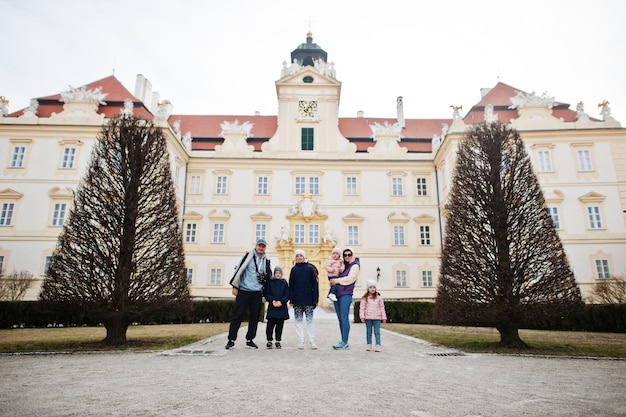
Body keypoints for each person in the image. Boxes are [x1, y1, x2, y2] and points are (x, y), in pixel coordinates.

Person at [225, 238, 271, 350]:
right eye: (259, 245)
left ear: (265, 248)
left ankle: (250, 340)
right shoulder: (248, 256)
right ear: (256, 246)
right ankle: (231, 340)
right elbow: (239, 269)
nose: (261, 248)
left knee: (254, 317)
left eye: (263, 246)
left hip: (257, 292)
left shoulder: (266, 260)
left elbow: (268, 276)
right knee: (238, 315)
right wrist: (235, 286)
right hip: (244, 290)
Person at [329, 248, 360, 350]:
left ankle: (345, 341)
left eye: (349, 254)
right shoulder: (344, 265)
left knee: (344, 317)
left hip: (346, 294)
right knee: (340, 319)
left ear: (352, 255)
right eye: (345, 255)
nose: (347, 256)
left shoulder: (355, 266)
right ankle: (343, 339)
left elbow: (350, 279)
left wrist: (336, 281)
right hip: (338, 294)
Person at [288, 249, 319, 349]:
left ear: (304, 257)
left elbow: (315, 284)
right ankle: (300, 340)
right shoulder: (294, 270)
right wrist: (291, 299)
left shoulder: (310, 268)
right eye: (297, 256)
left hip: (308, 299)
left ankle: (312, 340)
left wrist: (315, 299)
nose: (299, 257)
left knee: (310, 320)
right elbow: (291, 285)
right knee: (298, 321)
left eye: (301, 255)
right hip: (297, 300)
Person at [264, 266, 289, 349]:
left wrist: (281, 302)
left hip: (281, 307)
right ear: (274, 274)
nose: (278, 274)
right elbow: (267, 294)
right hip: (272, 307)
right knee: (270, 325)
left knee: (280, 326)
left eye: (279, 273)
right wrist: (273, 301)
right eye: (276, 273)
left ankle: (278, 340)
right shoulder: (270, 283)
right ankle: (269, 340)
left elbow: (287, 294)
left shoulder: (284, 283)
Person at [359, 279, 387, 352]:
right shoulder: (365, 298)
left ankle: (378, 345)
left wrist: (384, 317)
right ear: (368, 289)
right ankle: (369, 344)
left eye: (373, 287)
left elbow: (382, 308)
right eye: (370, 287)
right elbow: (362, 308)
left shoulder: (379, 297)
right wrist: (362, 316)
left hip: (377, 318)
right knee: (369, 332)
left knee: (377, 332)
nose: (372, 289)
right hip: (368, 318)